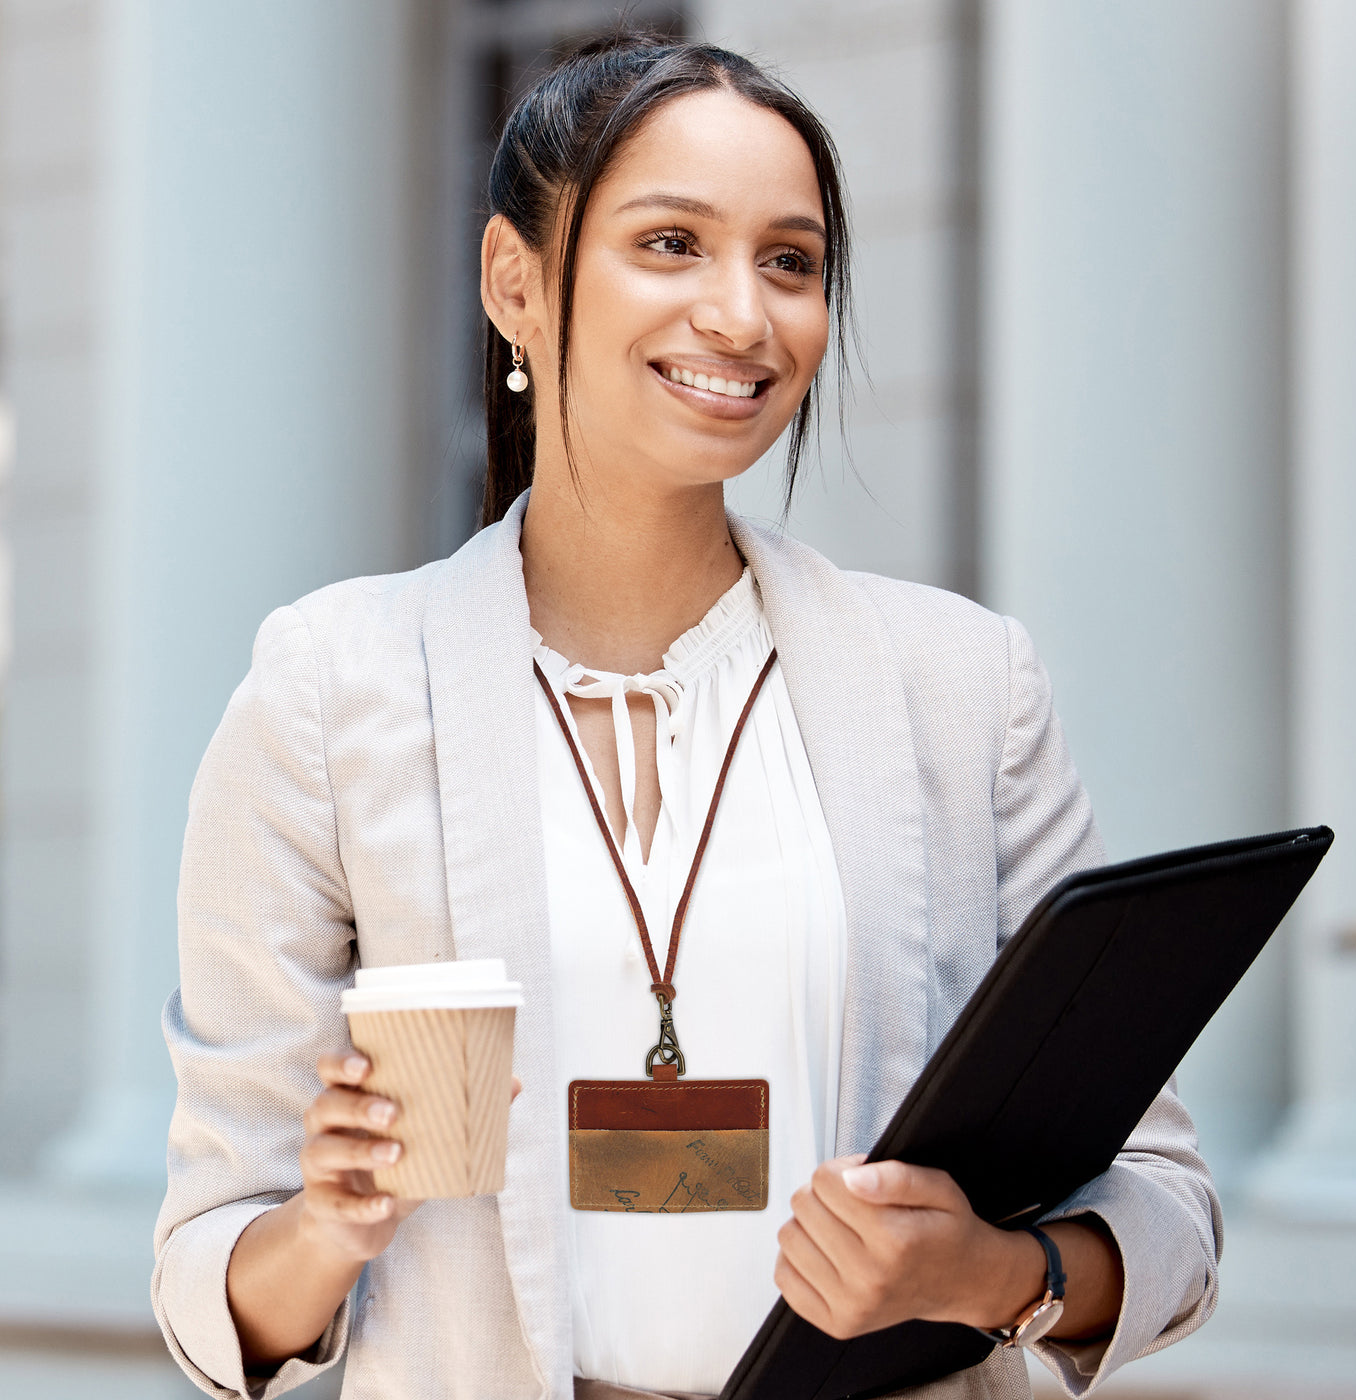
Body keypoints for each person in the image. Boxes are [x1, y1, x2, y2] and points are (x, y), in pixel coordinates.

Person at [153, 31, 1221, 1400]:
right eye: (671, 244)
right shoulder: (330, 685)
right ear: (516, 283)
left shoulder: (964, 687)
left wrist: (987, 1278)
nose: (742, 314)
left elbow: (1169, 1207)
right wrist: (325, 1226)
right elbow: (208, 1264)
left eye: (791, 261)